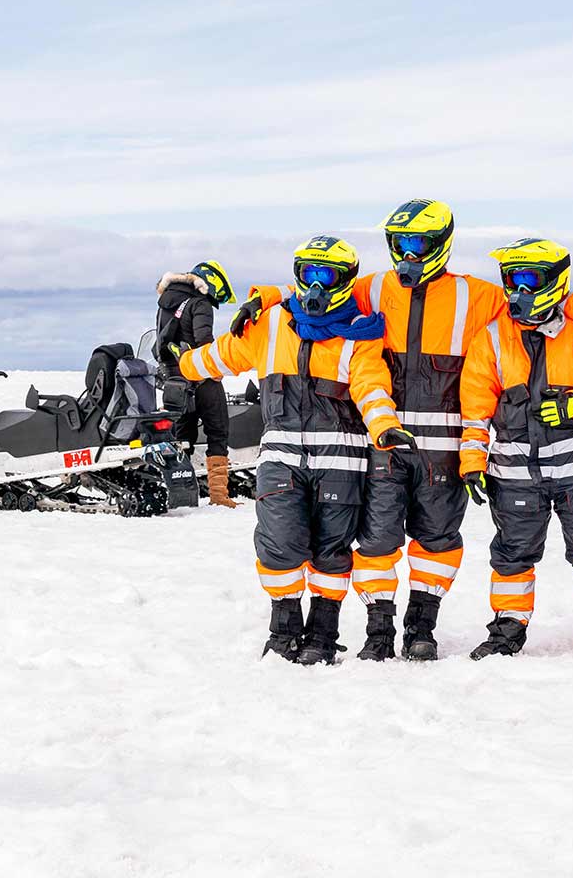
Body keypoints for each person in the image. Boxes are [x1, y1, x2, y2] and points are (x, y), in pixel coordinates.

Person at [234, 201, 573, 661]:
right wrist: (265, 296)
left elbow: (535, 300)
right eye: (399, 243)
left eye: (416, 244)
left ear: (440, 244)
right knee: (375, 541)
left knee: (436, 540)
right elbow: (315, 291)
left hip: (444, 452)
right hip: (384, 446)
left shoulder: (476, 296)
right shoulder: (372, 289)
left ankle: (422, 626)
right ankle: (378, 630)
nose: (407, 254)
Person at [176, 236, 414, 664]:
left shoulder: (360, 335)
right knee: (279, 542)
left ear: (347, 280)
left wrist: (384, 425)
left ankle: (323, 634)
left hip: (341, 461)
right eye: (309, 274)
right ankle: (283, 630)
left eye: (328, 275)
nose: (317, 286)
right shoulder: (268, 324)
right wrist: (179, 364)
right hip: (281, 459)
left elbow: (371, 386)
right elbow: (220, 356)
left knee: (331, 550)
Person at [459, 239, 573, 659]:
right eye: (512, 279)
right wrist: (471, 460)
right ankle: (506, 633)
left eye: (529, 279)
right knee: (512, 557)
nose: (519, 289)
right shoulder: (492, 337)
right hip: (513, 470)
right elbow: (475, 407)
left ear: (555, 281)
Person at [156, 261, 239, 507]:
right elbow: (204, 342)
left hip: (173, 380)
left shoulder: (166, 302)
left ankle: (182, 493)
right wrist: (216, 371)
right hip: (200, 377)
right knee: (217, 430)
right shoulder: (200, 303)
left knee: (183, 435)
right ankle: (219, 496)